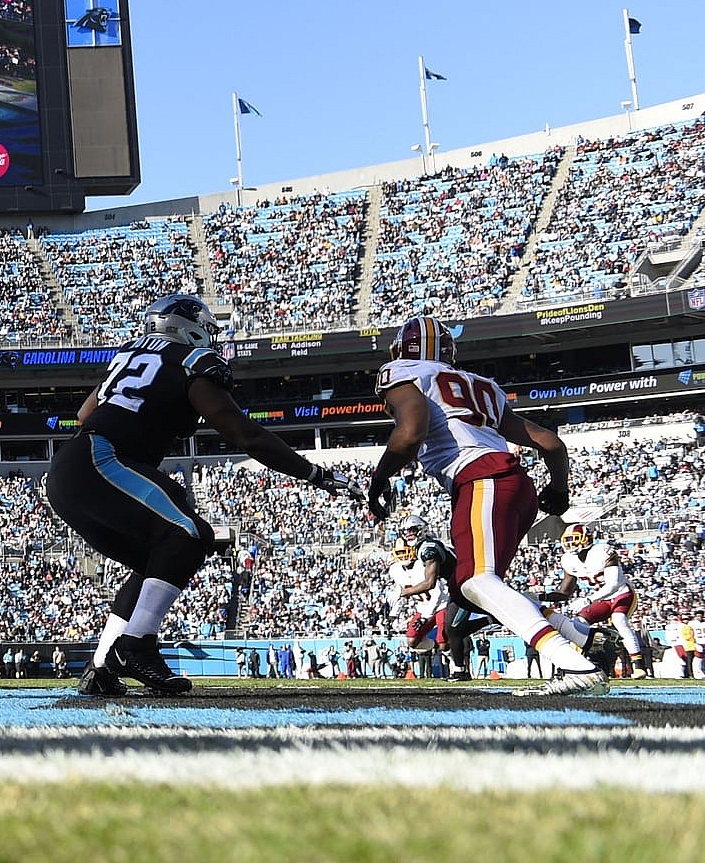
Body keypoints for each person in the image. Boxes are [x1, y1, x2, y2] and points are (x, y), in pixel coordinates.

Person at [49, 295, 349, 698]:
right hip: (101, 460)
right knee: (190, 534)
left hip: (73, 467)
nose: (210, 336)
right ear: (185, 327)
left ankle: (103, 666)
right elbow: (247, 436)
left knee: (152, 560)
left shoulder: (129, 353)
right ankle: (136, 646)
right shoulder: (193, 363)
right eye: (206, 327)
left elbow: (85, 414)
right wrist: (313, 472)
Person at [365, 316, 606, 696]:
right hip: (513, 486)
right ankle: (578, 633)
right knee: (471, 588)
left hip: (480, 478)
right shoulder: (481, 386)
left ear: (402, 350)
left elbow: (410, 432)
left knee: (478, 581)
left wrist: (379, 480)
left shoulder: (402, 372)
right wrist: (558, 491)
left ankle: (573, 663)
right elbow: (550, 443)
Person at [388, 515, 490, 680]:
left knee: (452, 630)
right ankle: (457, 661)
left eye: (412, 530)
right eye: (405, 532)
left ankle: (459, 669)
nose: (408, 535)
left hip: (450, 595)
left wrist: (405, 594)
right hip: (436, 601)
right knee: (417, 638)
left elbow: (431, 585)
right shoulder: (398, 569)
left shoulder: (427, 552)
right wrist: (393, 613)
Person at [549, 524, 645, 677]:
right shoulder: (568, 560)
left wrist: (587, 600)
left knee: (619, 619)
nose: (570, 544)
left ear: (587, 538)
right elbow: (565, 592)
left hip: (622, 594)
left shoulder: (603, 551)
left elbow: (613, 585)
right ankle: (577, 664)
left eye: (574, 539)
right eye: (567, 540)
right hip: (602, 599)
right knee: (578, 623)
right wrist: (542, 597)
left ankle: (639, 665)